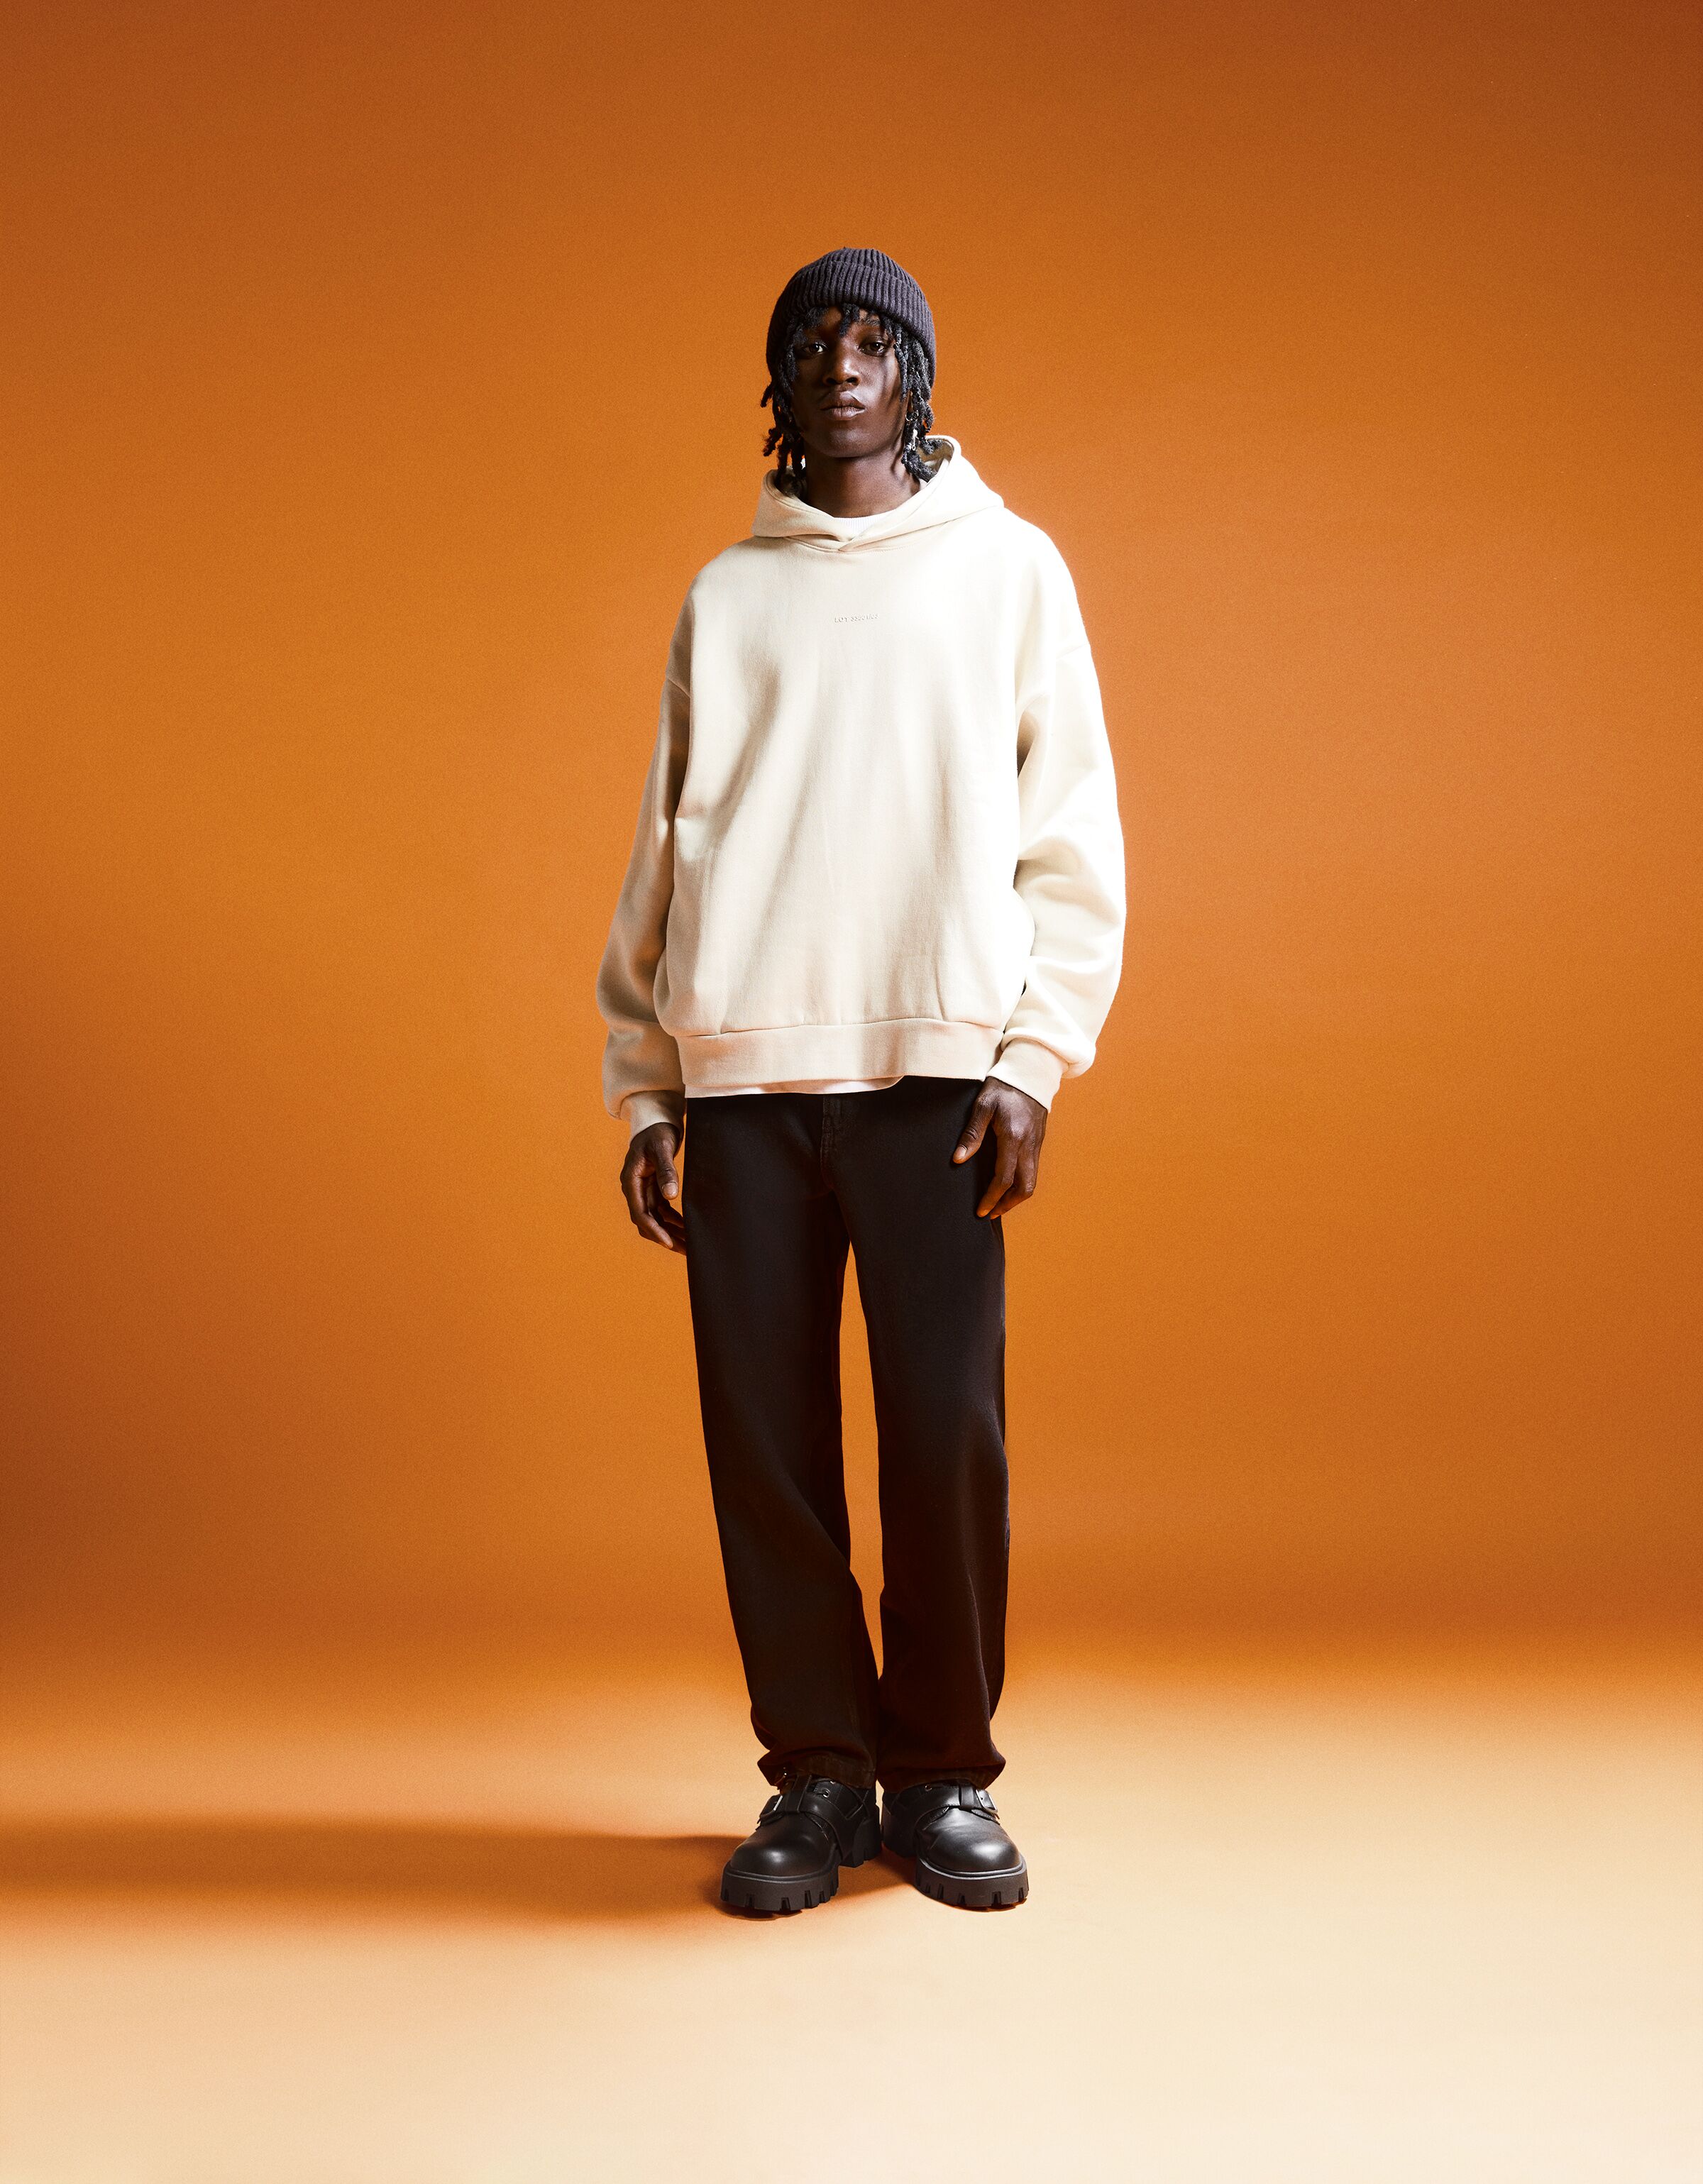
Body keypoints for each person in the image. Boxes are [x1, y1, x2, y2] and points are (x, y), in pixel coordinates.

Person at [595, 246, 1125, 1914]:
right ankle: (818, 1775)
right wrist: (646, 1084)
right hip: (745, 1084)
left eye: (871, 341)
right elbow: (666, 845)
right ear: (780, 381)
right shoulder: (726, 595)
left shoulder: (1009, 570)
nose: (840, 365)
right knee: (765, 1444)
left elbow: (1072, 834)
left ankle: (942, 1771)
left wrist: (1034, 1058)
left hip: (935, 1079)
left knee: (943, 1434)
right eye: (812, 343)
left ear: (915, 375)